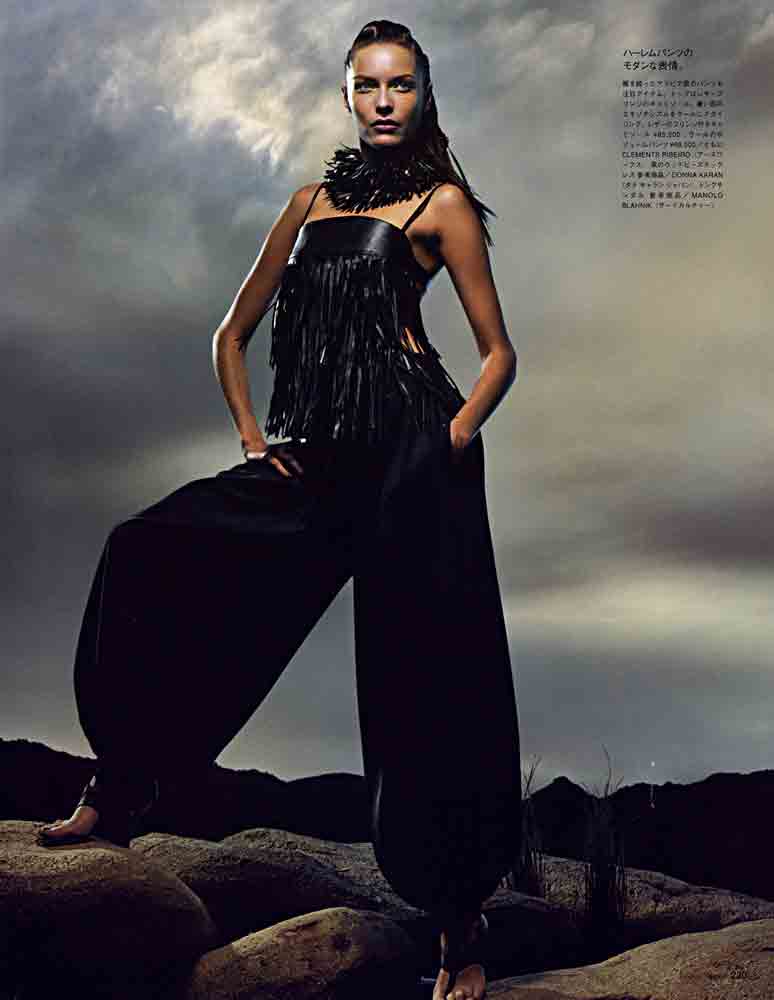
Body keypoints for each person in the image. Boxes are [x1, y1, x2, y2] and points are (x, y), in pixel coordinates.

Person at [36, 19, 521, 1000]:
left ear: (422, 94)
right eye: (367, 85)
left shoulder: (443, 205)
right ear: (347, 96)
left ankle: (458, 929)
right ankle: (119, 787)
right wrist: (256, 442)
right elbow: (232, 331)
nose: (384, 101)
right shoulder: (308, 203)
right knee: (148, 547)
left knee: (427, 681)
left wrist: (454, 436)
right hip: (320, 457)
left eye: (401, 84)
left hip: (415, 457)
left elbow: (498, 353)